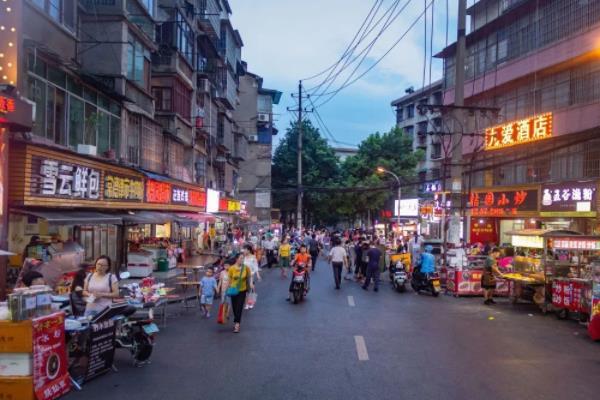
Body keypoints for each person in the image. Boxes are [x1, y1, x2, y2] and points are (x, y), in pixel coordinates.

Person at [227, 254, 253, 333]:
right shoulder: (231, 268)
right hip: (234, 290)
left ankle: (237, 324)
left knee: (239, 307)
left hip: (242, 290)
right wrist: (228, 288)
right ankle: (236, 320)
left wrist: (251, 283)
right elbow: (229, 279)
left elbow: (250, 276)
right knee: (234, 307)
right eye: (241, 258)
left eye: (243, 258)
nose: (242, 260)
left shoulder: (246, 268)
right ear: (236, 259)